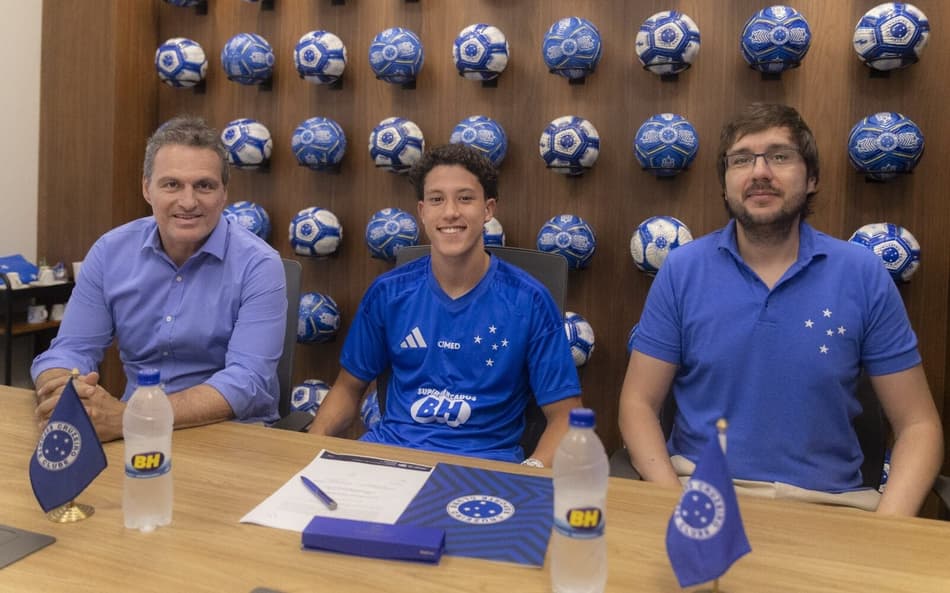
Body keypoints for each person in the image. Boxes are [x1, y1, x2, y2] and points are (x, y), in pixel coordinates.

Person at [618, 103, 943, 516]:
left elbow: (919, 426)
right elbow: (637, 404)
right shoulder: (682, 270)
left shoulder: (861, 273)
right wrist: (672, 502)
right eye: (741, 160)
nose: (759, 172)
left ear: (812, 178)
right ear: (725, 183)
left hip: (829, 508)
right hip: (698, 494)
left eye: (779, 156)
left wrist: (888, 528)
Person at [308, 143, 582, 466]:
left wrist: (530, 473)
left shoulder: (530, 301)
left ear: (488, 210)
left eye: (465, 198)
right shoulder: (388, 293)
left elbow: (566, 415)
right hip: (391, 458)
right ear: (423, 212)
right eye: (437, 199)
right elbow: (347, 389)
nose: (450, 211)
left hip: (485, 467)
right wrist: (310, 451)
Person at [32, 115, 286, 441]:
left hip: (229, 435)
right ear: (147, 188)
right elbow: (69, 350)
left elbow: (247, 382)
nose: (188, 201)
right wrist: (62, 395)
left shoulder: (259, 265)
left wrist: (134, 417)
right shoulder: (110, 252)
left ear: (224, 194)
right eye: (172, 184)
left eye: (204, 186)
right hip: (130, 435)